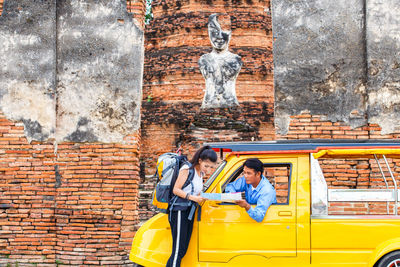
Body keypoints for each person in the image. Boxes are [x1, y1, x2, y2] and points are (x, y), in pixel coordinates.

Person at [166, 146, 217, 267]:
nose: (208, 169)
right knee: (178, 250)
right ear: (200, 161)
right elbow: (176, 190)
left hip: (189, 212)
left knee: (182, 250)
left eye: (211, 167)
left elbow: (195, 192)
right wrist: (193, 198)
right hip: (179, 211)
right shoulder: (187, 169)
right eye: (207, 165)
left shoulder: (200, 174)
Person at [225, 158, 277, 222]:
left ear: (258, 174)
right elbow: (230, 186)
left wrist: (246, 206)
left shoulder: (267, 191)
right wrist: (234, 196)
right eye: (244, 173)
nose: (245, 176)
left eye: (249, 173)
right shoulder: (245, 180)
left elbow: (259, 217)